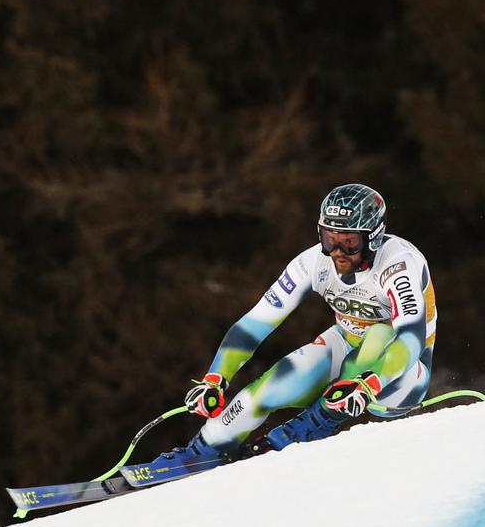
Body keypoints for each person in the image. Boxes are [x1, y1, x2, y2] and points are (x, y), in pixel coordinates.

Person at [148, 183, 437, 473]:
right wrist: (216, 378)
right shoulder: (312, 262)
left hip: (402, 375)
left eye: (349, 242)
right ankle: (200, 452)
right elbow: (255, 322)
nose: (337, 252)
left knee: (378, 334)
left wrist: (370, 382)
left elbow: (411, 338)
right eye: (329, 238)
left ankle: (305, 429)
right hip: (347, 343)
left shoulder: (399, 265)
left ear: (372, 237)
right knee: (265, 391)